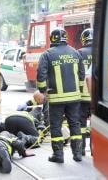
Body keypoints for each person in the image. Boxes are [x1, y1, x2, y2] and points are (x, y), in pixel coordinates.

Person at [37, 28, 85, 163]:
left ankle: (58, 156)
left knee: (56, 126)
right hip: (74, 98)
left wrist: (42, 91)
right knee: (75, 124)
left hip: (56, 99)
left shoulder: (47, 54)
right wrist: (79, 89)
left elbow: (41, 74)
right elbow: (82, 74)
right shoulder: (75, 53)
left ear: (52, 39)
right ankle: (77, 154)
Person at [78, 28, 93, 156]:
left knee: (81, 124)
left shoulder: (79, 53)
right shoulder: (102, 52)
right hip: (97, 96)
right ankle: (95, 150)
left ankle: (81, 149)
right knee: (95, 125)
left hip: (82, 96)